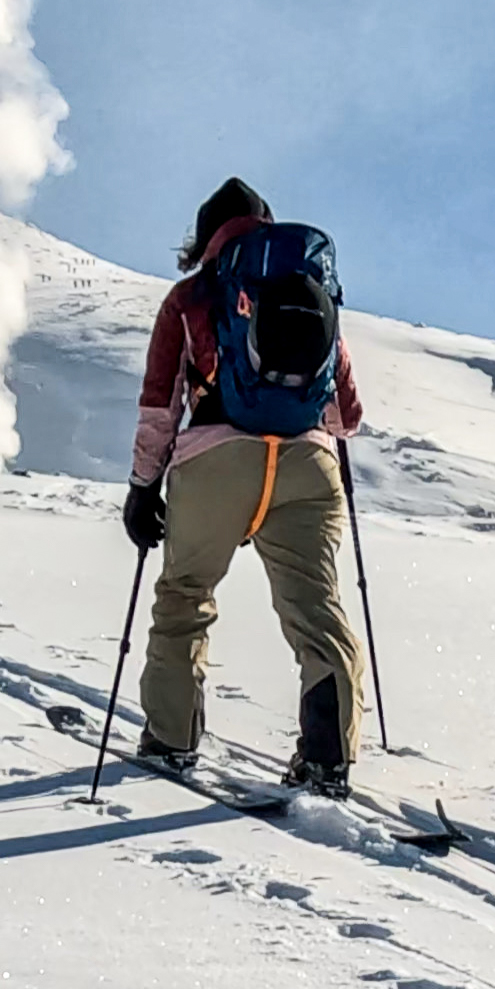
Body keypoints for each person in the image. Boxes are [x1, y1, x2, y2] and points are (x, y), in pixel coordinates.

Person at [120, 177, 369, 794]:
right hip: (308, 466)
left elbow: (161, 403)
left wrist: (142, 487)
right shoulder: (312, 294)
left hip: (216, 460)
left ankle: (172, 743)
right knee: (317, 611)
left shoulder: (190, 297)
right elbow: (348, 416)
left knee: (184, 596)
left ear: (204, 238)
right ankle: (326, 758)